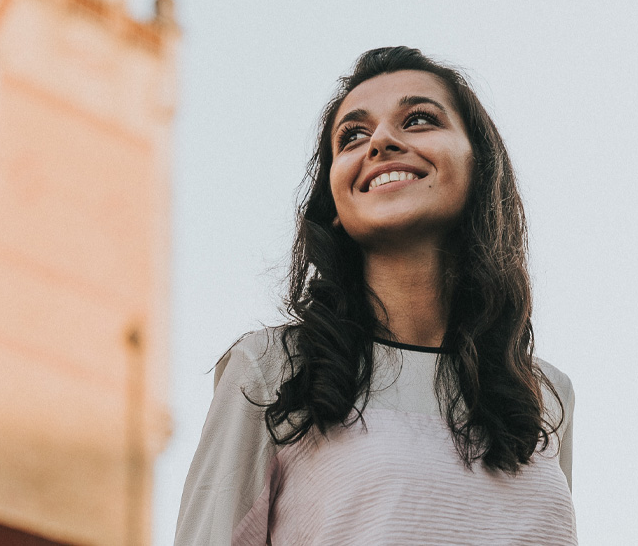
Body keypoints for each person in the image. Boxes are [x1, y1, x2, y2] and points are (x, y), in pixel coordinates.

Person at [175, 47, 576, 545]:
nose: (381, 141)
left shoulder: (545, 394)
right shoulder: (271, 368)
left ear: (480, 167)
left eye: (419, 120)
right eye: (353, 136)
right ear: (336, 202)